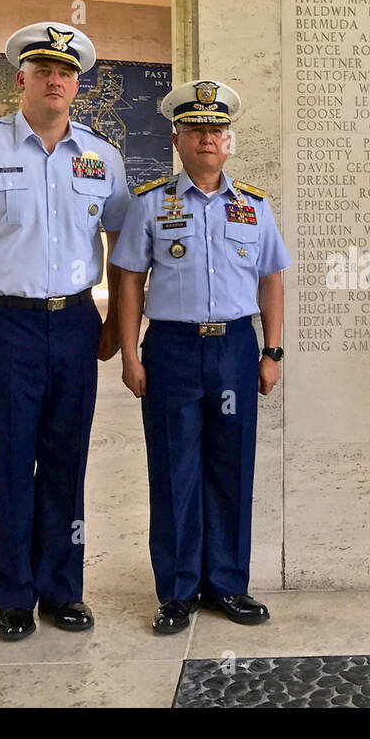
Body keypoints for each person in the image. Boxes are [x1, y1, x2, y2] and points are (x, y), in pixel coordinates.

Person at [0, 23, 130, 641]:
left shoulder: (102, 156)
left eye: (65, 72)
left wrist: (120, 321)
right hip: (2, 324)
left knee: (66, 461)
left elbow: (122, 243)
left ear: (77, 85)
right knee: (11, 462)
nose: (55, 80)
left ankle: (61, 590)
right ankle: (15, 595)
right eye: (43, 70)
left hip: (74, 323)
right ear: (21, 80)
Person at [112, 80, 290, 634]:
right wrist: (129, 354)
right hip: (171, 348)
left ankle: (228, 585)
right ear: (177, 138)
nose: (206, 138)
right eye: (195, 129)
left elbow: (272, 280)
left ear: (228, 140)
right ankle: (177, 591)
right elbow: (129, 282)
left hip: (235, 346)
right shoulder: (149, 203)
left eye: (215, 129)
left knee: (231, 467)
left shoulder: (253, 206)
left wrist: (272, 350)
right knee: (174, 470)